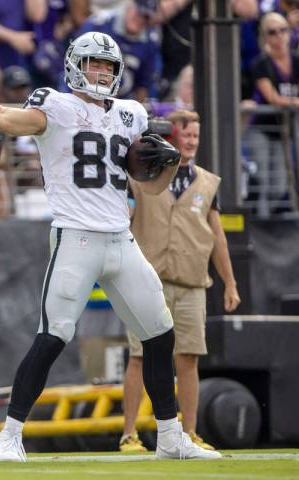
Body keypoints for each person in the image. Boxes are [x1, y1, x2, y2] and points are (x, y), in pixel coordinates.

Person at [0, 30, 221, 461]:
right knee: (54, 335)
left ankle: (170, 437)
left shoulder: (130, 114)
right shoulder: (54, 106)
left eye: (108, 66)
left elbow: (150, 191)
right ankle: (10, 435)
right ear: (75, 65)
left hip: (121, 236)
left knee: (160, 333)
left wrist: (166, 166)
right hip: (76, 235)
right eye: (93, 63)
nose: (100, 72)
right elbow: (2, 116)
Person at [119, 109, 241, 453]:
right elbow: (124, 217)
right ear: (171, 136)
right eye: (186, 135)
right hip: (146, 279)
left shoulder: (207, 181)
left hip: (191, 282)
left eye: (196, 137)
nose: (191, 142)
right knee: (139, 355)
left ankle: (189, 432)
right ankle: (129, 434)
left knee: (188, 357)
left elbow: (218, 237)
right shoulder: (143, 174)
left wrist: (229, 283)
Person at [246, 12, 299, 217]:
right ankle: (261, 224)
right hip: (262, 128)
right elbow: (273, 98)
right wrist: (294, 102)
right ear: (265, 37)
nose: (279, 36)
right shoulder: (261, 64)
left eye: (283, 30)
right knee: (262, 179)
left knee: (280, 184)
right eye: (272, 32)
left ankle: (273, 226)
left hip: (284, 132)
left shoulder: (296, 61)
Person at [71, 0, 160, 102]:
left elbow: (144, 83)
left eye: (146, 17)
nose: (140, 19)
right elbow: (74, 61)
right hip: (84, 92)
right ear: (129, 7)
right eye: (138, 13)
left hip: (121, 102)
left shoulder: (150, 41)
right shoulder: (99, 24)